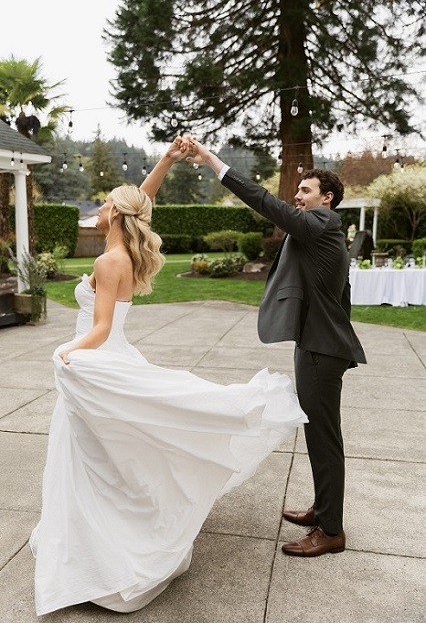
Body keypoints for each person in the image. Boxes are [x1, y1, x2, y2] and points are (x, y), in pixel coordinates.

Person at [29, 138, 308, 616]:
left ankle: (103, 547)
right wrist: (165, 161)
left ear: (116, 214)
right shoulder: (125, 252)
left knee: (93, 457)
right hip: (107, 358)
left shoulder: (107, 260)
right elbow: (141, 201)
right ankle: (88, 535)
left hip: (96, 359)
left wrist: (65, 351)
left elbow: (99, 328)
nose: (99, 208)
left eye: (104, 204)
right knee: (104, 454)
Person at [184, 137, 366, 558]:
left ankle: (331, 531)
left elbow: (266, 203)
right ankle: (324, 509)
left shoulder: (323, 222)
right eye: (298, 190)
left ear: (327, 198)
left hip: (321, 350)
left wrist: (212, 161)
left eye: (305, 190)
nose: (296, 196)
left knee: (324, 439)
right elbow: (342, 294)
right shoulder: (323, 234)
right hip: (320, 344)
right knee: (318, 434)